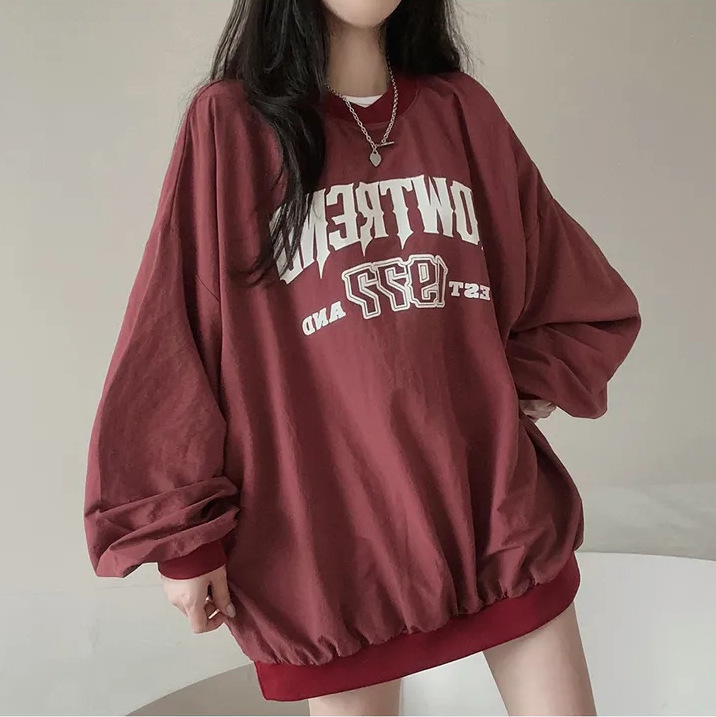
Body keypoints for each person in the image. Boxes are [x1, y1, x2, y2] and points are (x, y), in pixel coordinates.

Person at [83, 0, 642, 714]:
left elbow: (571, 285)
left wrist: (524, 382)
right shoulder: (230, 126)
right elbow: (172, 334)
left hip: (495, 522)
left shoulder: (462, 112)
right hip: (331, 551)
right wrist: (185, 540)